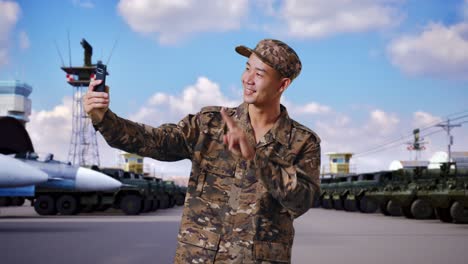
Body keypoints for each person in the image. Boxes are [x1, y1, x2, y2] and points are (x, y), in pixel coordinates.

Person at [84, 39, 321, 263]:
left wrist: (257, 159)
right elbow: (155, 141)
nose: (248, 79)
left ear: (282, 84)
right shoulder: (210, 124)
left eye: (259, 74)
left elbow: (301, 202)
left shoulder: (302, 142)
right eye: (247, 68)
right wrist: (105, 119)